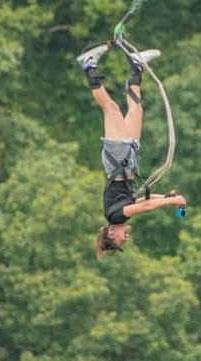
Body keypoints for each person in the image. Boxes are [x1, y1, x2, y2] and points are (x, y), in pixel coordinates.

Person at [76, 43, 187, 260]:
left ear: (111, 233)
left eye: (120, 241)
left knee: (111, 108)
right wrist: (168, 197)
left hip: (118, 158)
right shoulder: (122, 215)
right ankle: (136, 66)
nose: (125, 239)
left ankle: (89, 66)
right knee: (137, 109)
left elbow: (147, 206)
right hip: (128, 159)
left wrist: (170, 202)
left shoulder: (116, 215)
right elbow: (142, 200)